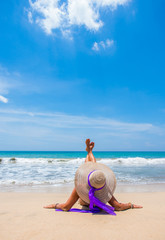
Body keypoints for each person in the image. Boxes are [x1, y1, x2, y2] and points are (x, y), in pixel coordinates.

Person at [44, 139, 142, 212]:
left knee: (91, 168)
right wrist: (131, 205)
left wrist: (55, 205)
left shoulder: (80, 187)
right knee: (93, 169)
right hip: (97, 203)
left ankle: (89, 151)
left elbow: (65, 207)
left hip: (84, 202)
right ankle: (90, 151)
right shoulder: (104, 188)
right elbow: (118, 207)